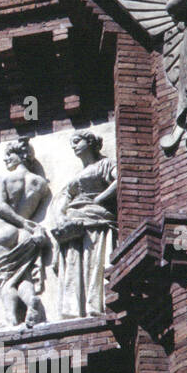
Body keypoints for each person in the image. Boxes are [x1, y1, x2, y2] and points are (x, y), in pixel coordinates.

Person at [0, 140, 53, 328]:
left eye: (10, 154)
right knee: (24, 276)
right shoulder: (40, 183)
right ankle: (31, 299)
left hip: (3, 230)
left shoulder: (4, 178)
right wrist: (26, 223)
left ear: (22, 155)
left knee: (5, 279)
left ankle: (11, 319)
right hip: (26, 234)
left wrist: (20, 221)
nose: (6, 158)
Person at [52, 132, 117, 320]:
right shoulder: (78, 174)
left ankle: (93, 304)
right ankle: (74, 308)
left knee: (92, 260)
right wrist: (61, 217)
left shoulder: (104, 164)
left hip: (95, 220)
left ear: (89, 142)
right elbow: (64, 198)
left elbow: (119, 180)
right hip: (75, 224)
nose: (74, 146)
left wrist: (99, 198)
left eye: (76, 142)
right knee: (74, 262)